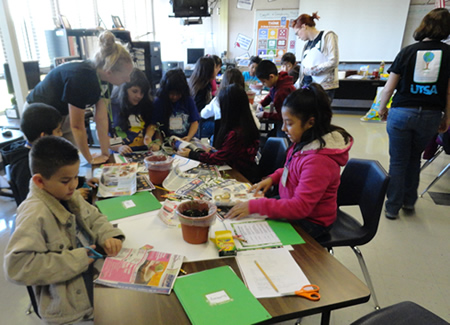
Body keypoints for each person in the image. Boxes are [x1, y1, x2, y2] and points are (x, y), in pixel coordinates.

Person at [4, 136, 125, 325]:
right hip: (70, 310)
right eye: (66, 180)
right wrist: (79, 258)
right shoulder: (34, 214)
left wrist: (108, 234)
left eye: (76, 177)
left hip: (91, 283)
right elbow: (16, 267)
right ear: (40, 181)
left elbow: (93, 217)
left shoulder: (65, 193)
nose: (74, 185)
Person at [225, 84, 353, 239]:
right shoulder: (304, 142)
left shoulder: (319, 161)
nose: (284, 129)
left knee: (252, 232)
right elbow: (291, 168)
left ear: (310, 123)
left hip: (311, 221)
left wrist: (255, 206)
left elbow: (300, 208)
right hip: (292, 205)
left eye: (289, 123)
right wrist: (274, 178)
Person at [378, 8, 450, 220]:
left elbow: (389, 87)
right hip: (431, 115)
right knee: (413, 159)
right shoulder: (448, 54)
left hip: (401, 113)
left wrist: (382, 108)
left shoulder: (407, 52)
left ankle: (392, 208)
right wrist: (447, 117)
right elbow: (448, 91)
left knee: (398, 161)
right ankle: (409, 202)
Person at [26, 30, 134, 165]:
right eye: (126, 75)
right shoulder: (82, 78)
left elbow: (101, 119)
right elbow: (77, 126)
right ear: (109, 72)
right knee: (51, 161)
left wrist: (105, 153)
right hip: (39, 115)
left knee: (70, 159)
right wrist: (91, 159)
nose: (128, 79)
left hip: (62, 114)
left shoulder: (106, 80)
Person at [178, 84, 260, 182]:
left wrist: (193, 154)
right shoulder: (246, 124)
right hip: (243, 168)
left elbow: (220, 158)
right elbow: (228, 152)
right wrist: (212, 152)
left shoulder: (237, 133)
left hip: (239, 174)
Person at [1, 103, 63, 206]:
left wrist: (81, 181)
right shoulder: (25, 167)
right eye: (58, 130)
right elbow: (34, 203)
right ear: (43, 136)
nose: (61, 134)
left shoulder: (43, 152)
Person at [200, 68, 261, 145]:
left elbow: (203, 114)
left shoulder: (217, 100)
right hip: (241, 146)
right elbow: (257, 126)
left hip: (222, 143)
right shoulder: (244, 101)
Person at [290, 12, 339, 100]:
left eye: (297, 33)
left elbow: (333, 61)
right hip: (307, 87)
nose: (298, 37)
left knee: (319, 113)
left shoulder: (327, 36)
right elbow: (303, 70)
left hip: (323, 88)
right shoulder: (307, 45)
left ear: (304, 26)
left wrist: (310, 71)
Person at [146, 69, 200, 148]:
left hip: (186, 140)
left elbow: (194, 122)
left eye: (178, 94)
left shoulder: (188, 100)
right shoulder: (159, 102)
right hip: (167, 141)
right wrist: (151, 139)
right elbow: (155, 125)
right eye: (171, 93)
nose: (174, 97)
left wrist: (189, 137)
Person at [109, 68, 155, 154]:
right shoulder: (111, 106)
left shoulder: (147, 104)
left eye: (142, 93)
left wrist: (148, 137)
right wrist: (119, 148)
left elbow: (152, 124)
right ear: (124, 89)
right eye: (134, 91)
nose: (139, 96)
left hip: (144, 152)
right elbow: (101, 134)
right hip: (119, 154)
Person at [255, 60, 296, 137]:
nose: (263, 85)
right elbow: (271, 94)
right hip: (286, 120)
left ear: (271, 77)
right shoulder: (279, 80)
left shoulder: (281, 91)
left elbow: (281, 116)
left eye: (264, 82)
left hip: (289, 123)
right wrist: (261, 103)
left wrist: (265, 114)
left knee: (278, 138)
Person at [189, 56, 216, 138]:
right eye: (215, 68)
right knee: (222, 127)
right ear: (209, 71)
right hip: (199, 124)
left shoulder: (200, 83)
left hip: (202, 120)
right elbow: (200, 112)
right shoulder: (202, 88)